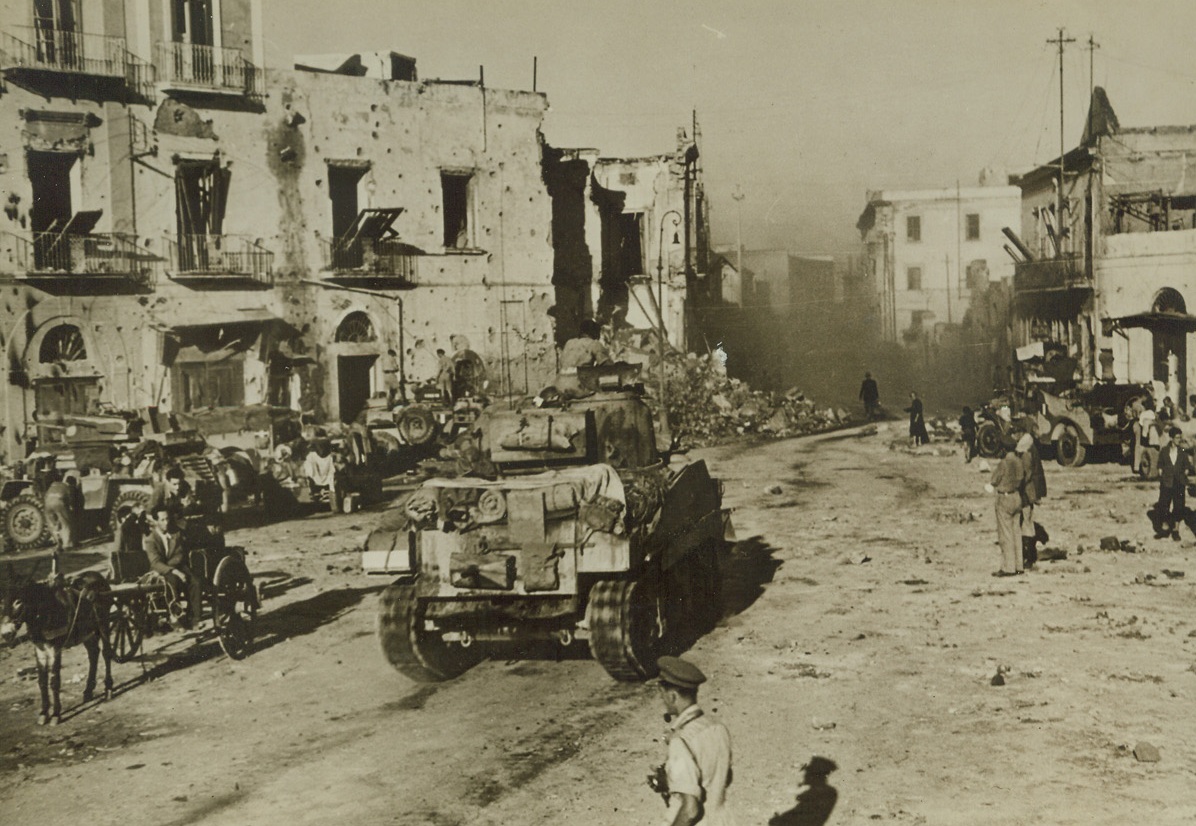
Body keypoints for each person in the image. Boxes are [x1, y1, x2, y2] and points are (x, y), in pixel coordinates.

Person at [652, 656, 735, 826]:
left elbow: (690, 810)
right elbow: (723, 776)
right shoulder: (717, 727)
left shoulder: (681, 741)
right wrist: (671, 780)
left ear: (673, 696)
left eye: (663, 696)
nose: (663, 701)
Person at [143, 505, 202, 628]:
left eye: (167, 519)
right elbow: (155, 562)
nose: (166, 522)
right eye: (162, 520)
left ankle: (196, 618)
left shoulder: (176, 534)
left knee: (195, 582)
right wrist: (174, 571)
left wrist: (177, 569)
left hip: (178, 566)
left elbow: (179, 554)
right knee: (171, 583)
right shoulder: (151, 539)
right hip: (162, 570)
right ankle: (176, 617)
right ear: (156, 521)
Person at [986, 433, 1031, 576]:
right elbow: (1021, 479)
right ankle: (1019, 566)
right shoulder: (1019, 462)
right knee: (1016, 531)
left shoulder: (1004, 463)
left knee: (1005, 534)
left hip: (1004, 498)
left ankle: (1008, 567)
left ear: (1003, 449)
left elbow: (994, 480)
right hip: (1016, 496)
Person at [1155, 427, 1192, 541]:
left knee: (1179, 506)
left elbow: (1187, 465)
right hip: (1167, 482)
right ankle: (1165, 528)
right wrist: (1161, 472)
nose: (1179, 440)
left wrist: (1185, 471)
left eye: (1180, 437)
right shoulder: (1164, 451)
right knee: (1164, 504)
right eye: (1177, 437)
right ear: (1171, 438)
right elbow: (1160, 464)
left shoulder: (1183, 451)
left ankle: (1175, 530)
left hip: (1179, 483)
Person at [1018, 426, 1047, 568]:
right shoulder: (1032, 448)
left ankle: (1028, 556)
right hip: (1032, 492)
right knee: (1028, 521)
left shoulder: (1026, 453)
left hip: (1027, 493)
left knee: (1026, 523)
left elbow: (1027, 475)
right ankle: (1029, 555)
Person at [43, 470, 78, 550]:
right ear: (72, 483)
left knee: (53, 524)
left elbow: (45, 495)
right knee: (65, 523)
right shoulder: (68, 487)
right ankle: (67, 544)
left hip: (47, 503)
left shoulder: (54, 484)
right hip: (59, 502)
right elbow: (70, 500)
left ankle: (57, 542)